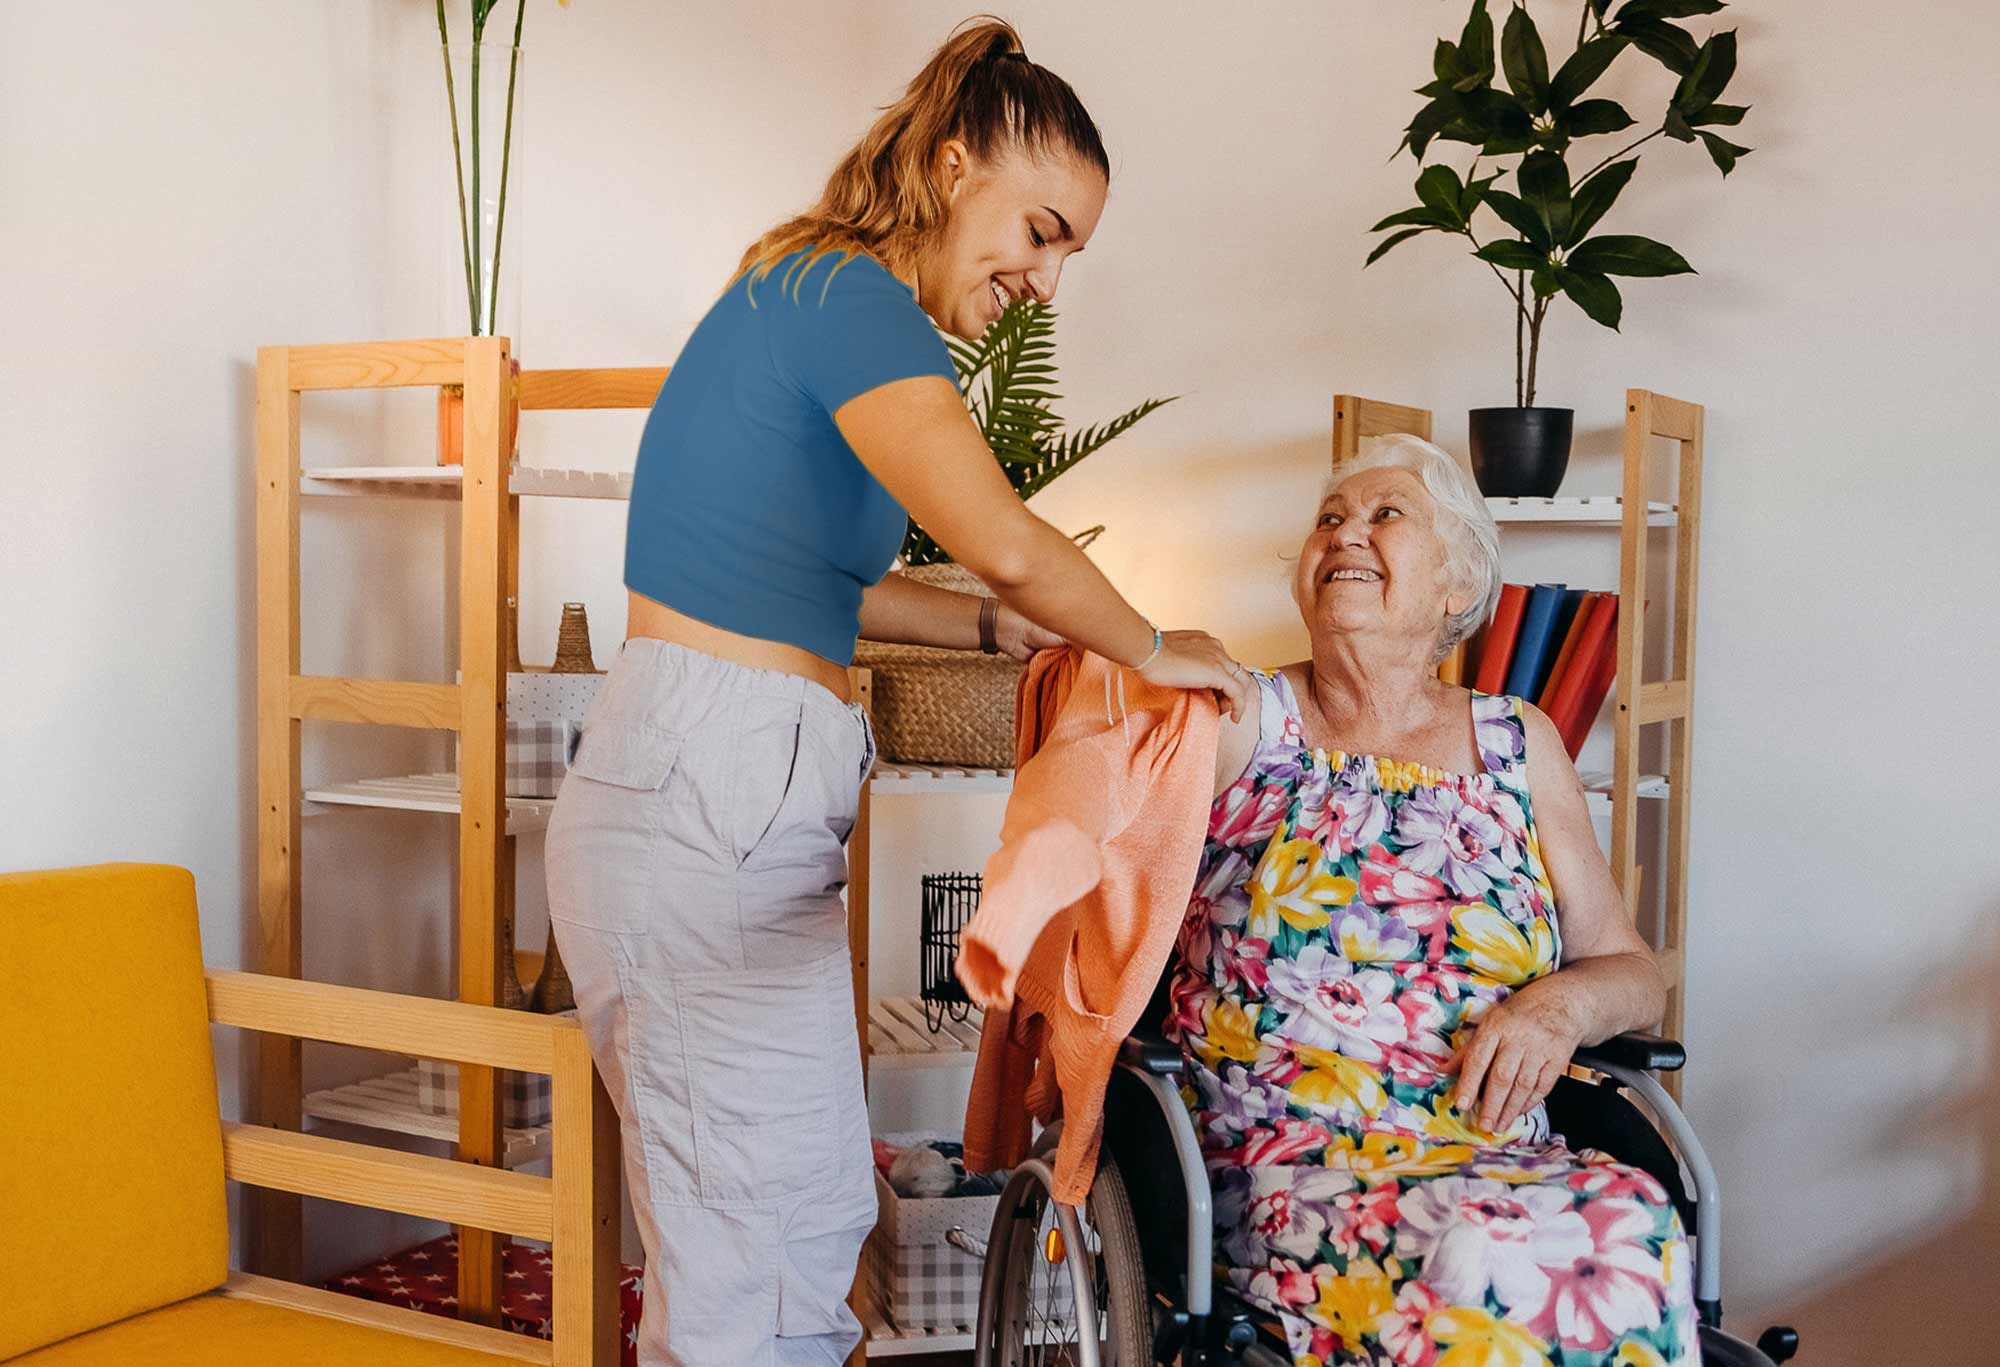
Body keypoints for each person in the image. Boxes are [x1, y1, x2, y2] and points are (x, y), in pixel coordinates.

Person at [544, 19, 1252, 1366]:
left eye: (1068, 255)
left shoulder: (815, 299)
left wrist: (1005, 631)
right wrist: (1149, 640)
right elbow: (1003, 532)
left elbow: (812, 578)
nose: (1045, 280)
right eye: (1039, 230)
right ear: (949, 163)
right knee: (749, 1274)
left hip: (736, 790)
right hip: (708, 786)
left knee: (805, 1218)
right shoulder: (846, 297)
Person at [1167, 436, 1697, 1365]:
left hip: (1500, 1158)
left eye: (1384, 514)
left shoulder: (1517, 743)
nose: (1346, 534)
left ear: (1457, 587)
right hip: (1292, 1168)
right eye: (1330, 518)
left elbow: (1630, 970)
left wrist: (1560, 1004)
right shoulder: (1240, 719)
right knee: (1485, 1254)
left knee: (1631, 1217)